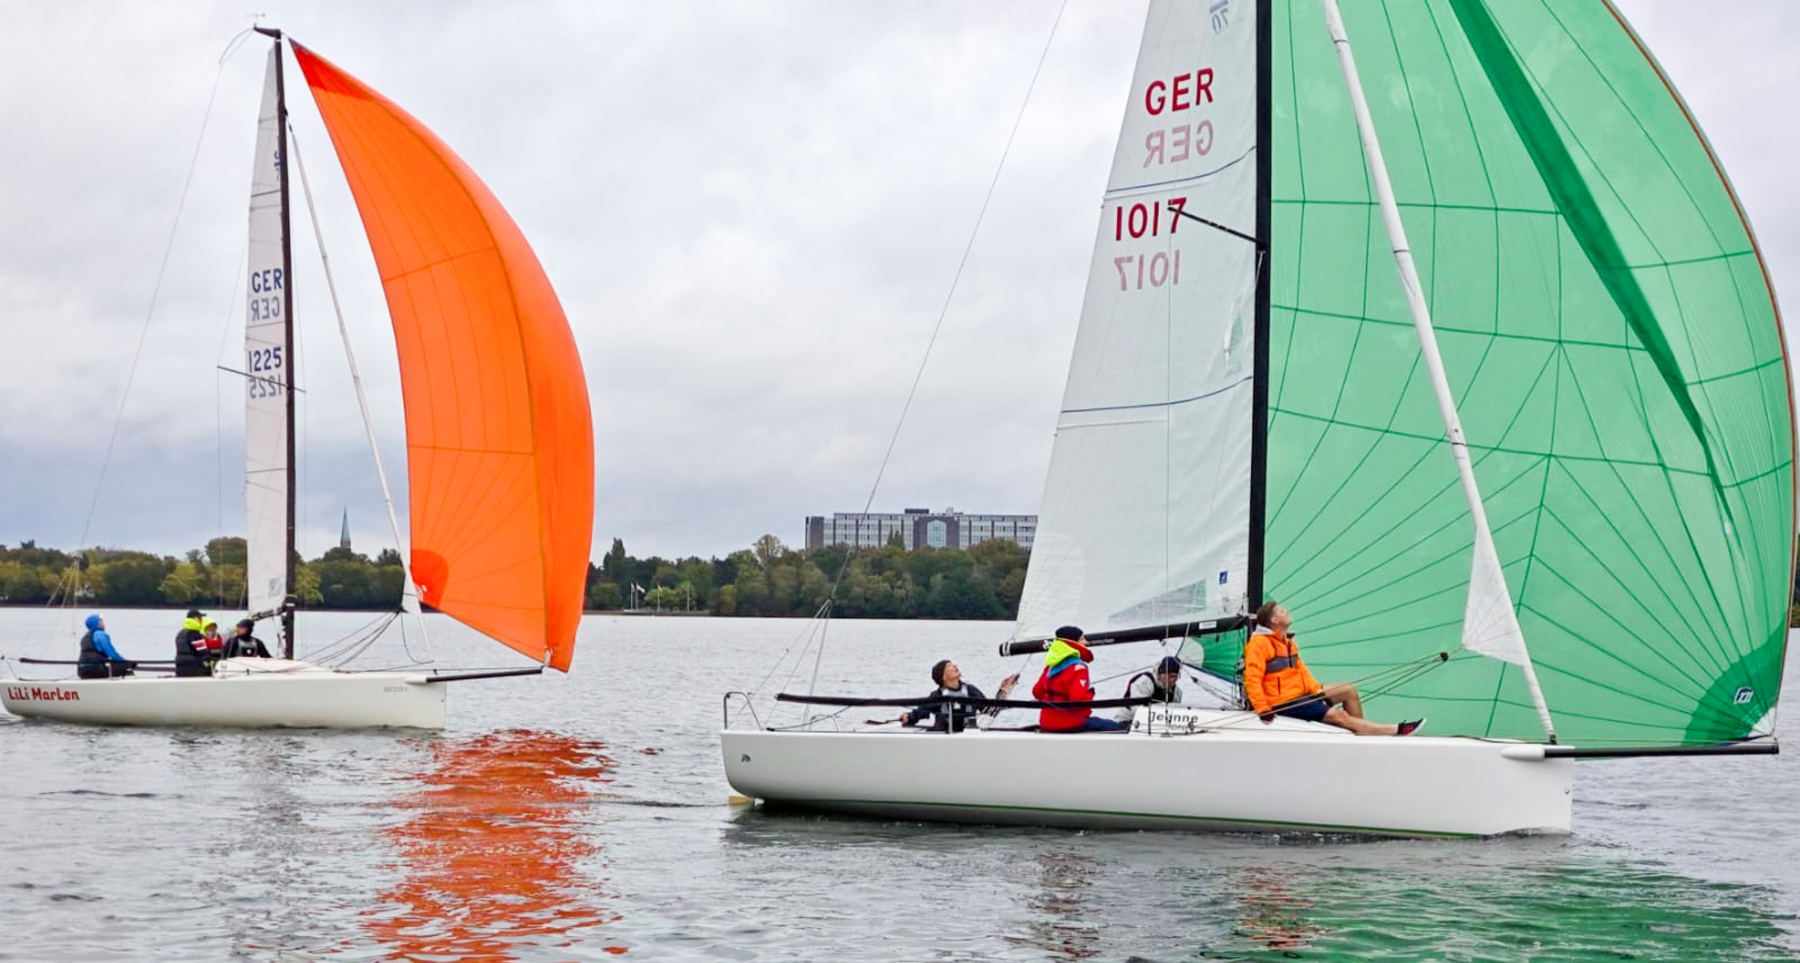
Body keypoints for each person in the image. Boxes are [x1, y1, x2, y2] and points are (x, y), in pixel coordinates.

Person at [1243, 601, 1423, 736]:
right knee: (1339, 716)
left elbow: (1301, 671)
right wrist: (1263, 708)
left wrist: (1316, 691)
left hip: (1299, 694)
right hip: (1281, 703)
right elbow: (1252, 678)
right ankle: (1394, 730)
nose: (1287, 612)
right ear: (1274, 620)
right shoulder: (1259, 644)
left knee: (1348, 690)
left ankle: (1361, 732)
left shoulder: (1286, 641)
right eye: (1282, 611)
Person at [1031, 626, 1127, 732]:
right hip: (1070, 723)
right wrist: (1090, 693)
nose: (1086, 642)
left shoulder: (1051, 666)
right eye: (1082, 639)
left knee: (1099, 722)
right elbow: (1078, 702)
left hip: (1046, 722)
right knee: (1118, 728)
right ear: (1073, 642)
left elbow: (1037, 693)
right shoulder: (1079, 668)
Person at [898, 660, 1017, 732]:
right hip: (943, 736)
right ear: (943, 677)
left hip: (968, 735)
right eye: (949, 666)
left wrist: (1003, 691)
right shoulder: (937, 696)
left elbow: (989, 710)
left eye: (954, 664)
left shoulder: (971, 691)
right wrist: (908, 717)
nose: (955, 666)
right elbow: (921, 711)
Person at [1113, 655, 1185, 724]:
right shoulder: (1144, 682)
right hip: (1127, 720)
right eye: (1171, 676)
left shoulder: (1177, 692)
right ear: (1161, 673)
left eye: (1176, 677)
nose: (1173, 680)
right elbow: (1138, 709)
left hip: (1157, 724)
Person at [76, 614, 135, 679]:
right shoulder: (100, 634)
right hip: (95, 669)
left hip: (82, 671)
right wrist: (125, 662)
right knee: (126, 665)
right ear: (97, 623)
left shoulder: (85, 637)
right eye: (101, 621)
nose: (103, 623)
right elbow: (111, 653)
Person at [173, 609, 214, 678]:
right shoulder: (195, 634)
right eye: (200, 618)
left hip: (180, 669)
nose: (202, 620)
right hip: (195, 669)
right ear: (196, 619)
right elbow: (204, 653)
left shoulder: (180, 633)